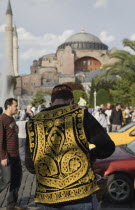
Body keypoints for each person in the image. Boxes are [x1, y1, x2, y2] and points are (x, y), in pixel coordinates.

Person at [25, 84, 115, 210]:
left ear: (51, 101)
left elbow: (30, 165)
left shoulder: (33, 123)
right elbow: (107, 147)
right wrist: (89, 156)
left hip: (46, 197)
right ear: (71, 100)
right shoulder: (80, 115)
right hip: (80, 194)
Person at [0, 98, 22, 208]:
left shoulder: (11, 119)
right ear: (9, 106)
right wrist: (3, 156)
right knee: (6, 180)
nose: (17, 108)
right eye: (15, 105)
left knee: (16, 179)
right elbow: (0, 140)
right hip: (7, 156)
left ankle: (12, 205)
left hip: (15, 155)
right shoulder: (2, 119)